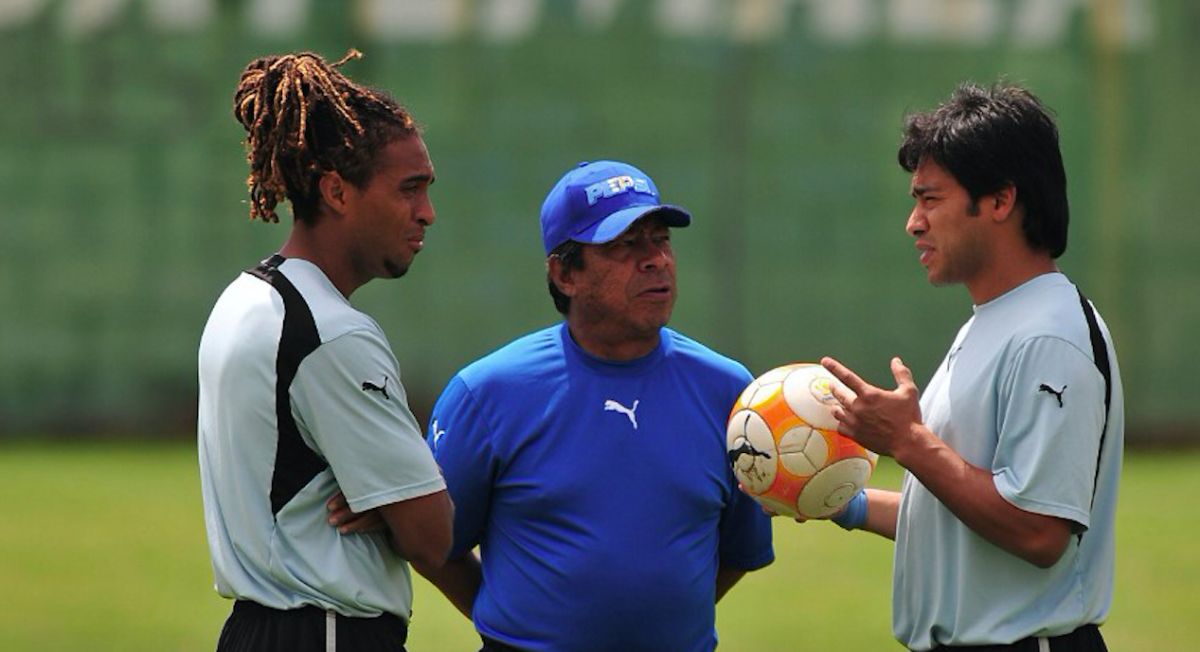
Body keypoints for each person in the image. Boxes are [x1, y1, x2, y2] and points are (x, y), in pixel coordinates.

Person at [417, 160, 775, 651]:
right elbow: (433, 545)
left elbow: (738, 550)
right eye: (625, 244)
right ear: (564, 272)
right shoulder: (488, 393)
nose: (656, 260)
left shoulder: (731, 391)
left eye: (661, 239)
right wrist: (511, 626)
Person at [817, 81, 1124, 651]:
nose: (913, 222)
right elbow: (958, 510)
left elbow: (1038, 531)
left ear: (1001, 201)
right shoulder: (995, 320)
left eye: (930, 199)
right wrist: (843, 502)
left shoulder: (1049, 335)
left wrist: (907, 440)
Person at [197, 49, 453, 652]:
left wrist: (389, 498)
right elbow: (432, 536)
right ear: (337, 191)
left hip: (253, 630)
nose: (427, 213)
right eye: (409, 189)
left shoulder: (242, 300)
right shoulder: (334, 334)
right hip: (329, 631)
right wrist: (400, 505)